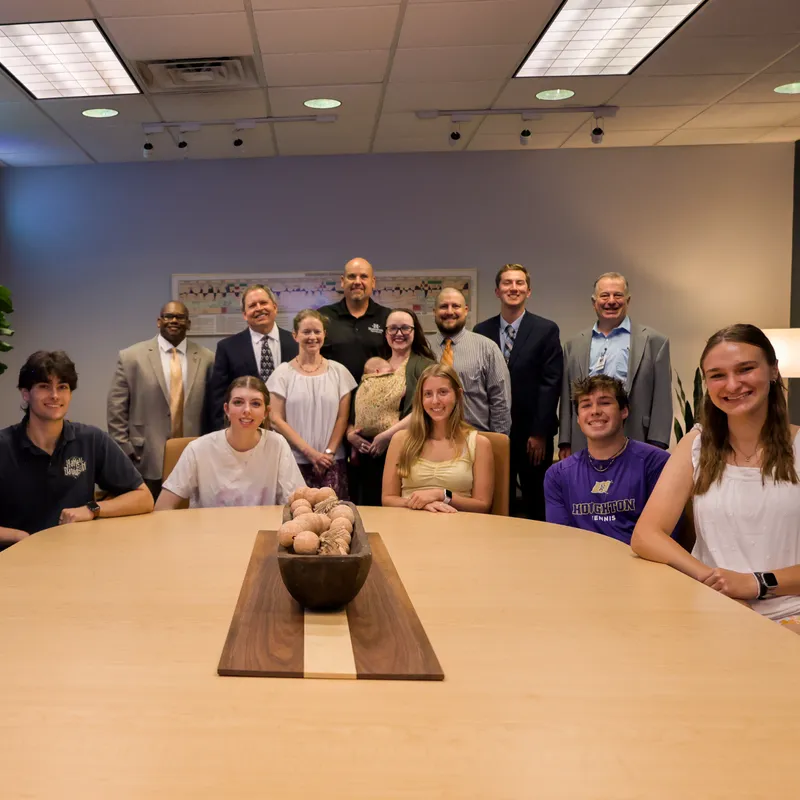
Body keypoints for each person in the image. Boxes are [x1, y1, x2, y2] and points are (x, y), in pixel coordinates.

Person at [632, 324, 800, 631]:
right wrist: (713, 580)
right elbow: (646, 534)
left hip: (792, 613)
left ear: (774, 370)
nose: (732, 384)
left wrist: (756, 583)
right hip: (716, 608)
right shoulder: (695, 443)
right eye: (718, 375)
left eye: (746, 369)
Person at [0, 351, 153, 546]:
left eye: (62, 387)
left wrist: (92, 508)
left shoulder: (91, 439)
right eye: (44, 386)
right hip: (15, 561)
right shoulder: (4, 446)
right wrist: (19, 537)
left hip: (77, 556)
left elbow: (144, 498)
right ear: (26, 393)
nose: (55, 395)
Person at [474, 264, 562, 520]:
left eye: (520, 283)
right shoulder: (482, 331)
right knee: (498, 498)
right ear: (497, 291)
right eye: (507, 283)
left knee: (536, 499)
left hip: (532, 435)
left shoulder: (546, 330)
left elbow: (551, 383)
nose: (514, 288)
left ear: (529, 290)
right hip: (491, 431)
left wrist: (540, 432)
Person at [544, 376, 671, 546]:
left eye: (604, 402)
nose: (595, 411)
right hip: (580, 567)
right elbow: (560, 541)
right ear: (578, 418)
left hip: (640, 566)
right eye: (586, 405)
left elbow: (664, 539)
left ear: (624, 411)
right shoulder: (557, 475)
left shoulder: (656, 463)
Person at [107, 301, 214, 499]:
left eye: (180, 317)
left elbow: (213, 409)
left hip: (194, 454)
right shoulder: (131, 357)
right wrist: (126, 450)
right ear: (159, 321)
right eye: (168, 316)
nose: (174, 321)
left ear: (188, 324)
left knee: (191, 520)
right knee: (148, 521)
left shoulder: (208, 358)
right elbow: (116, 409)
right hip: (145, 457)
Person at [559, 272, 672, 459]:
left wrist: (657, 442)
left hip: (637, 434)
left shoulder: (654, 342)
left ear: (628, 300)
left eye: (617, 295)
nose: (611, 301)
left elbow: (662, 396)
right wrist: (565, 440)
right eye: (604, 296)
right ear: (594, 302)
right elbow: (567, 395)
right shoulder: (573, 345)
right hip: (584, 438)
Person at [155, 376, 305, 510]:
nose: (247, 410)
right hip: (208, 535)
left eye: (256, 404)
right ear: (226, 409)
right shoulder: (198, 449)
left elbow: (297, 502)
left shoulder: (277, 445)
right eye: (238, 402)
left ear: (266, 412)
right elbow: (163, 506)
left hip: (261, 533)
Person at [347, 308, 436, 505]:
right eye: (393, 328)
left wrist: (388, 436)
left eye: (405, 328)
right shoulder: (374, 366)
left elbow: (426, 410)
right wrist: (351, 433)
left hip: (407, 451)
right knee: (370, 508)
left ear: (415, 331)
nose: (399, 333)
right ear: (385, 333)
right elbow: (359, 406)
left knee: (399, 508)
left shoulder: (425, 366)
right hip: (368, 454)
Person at [382, 363, 494, 513]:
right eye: (428, 394)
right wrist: (421, 504)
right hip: (409, 525)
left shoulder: (479, 444)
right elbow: (388, 498)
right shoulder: (400, 440)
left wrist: (441, 495)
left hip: (462, 527)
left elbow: (483, 505)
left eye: (443, 392)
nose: (435, 401)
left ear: (458, 394)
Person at [267, 310, 357, 498]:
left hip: (331, 462)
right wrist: (310, 453)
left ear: (324, 334)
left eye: (317, 332)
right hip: (294, 461)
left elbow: (343, 417)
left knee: (334, 520)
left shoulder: (339, 372)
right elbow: (276, 419)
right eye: (306, 332)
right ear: (295, 335)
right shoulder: (282, 374)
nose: (312, 337)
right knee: (297, 518)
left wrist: (328, 453)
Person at [206, 284, 298, 431]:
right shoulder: (227, 348)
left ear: (274, 307)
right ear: (244, 314)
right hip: (244, 432)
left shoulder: (296, 343)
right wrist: (223, 435)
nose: (259, 308)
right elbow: (218, 399)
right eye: (252, 305)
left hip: (290, 433)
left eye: (263, 303)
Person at [429, 287, 511, 435]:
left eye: (455, 306)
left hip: (476, 439)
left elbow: (501, 402)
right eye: (443, 306)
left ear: (466, 310)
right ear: (434, 311)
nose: (449, 311)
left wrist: (497, 444)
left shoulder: (487, 348)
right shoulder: (423, 348)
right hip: (431, 440)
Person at [318, 257, 391, 383]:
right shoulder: (323, 316)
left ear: (373, 282)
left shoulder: (388, 317)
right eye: (351, 276)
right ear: (342, 281)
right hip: (334, 397)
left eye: (363, 276)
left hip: (376, 398)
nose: (357, 282)